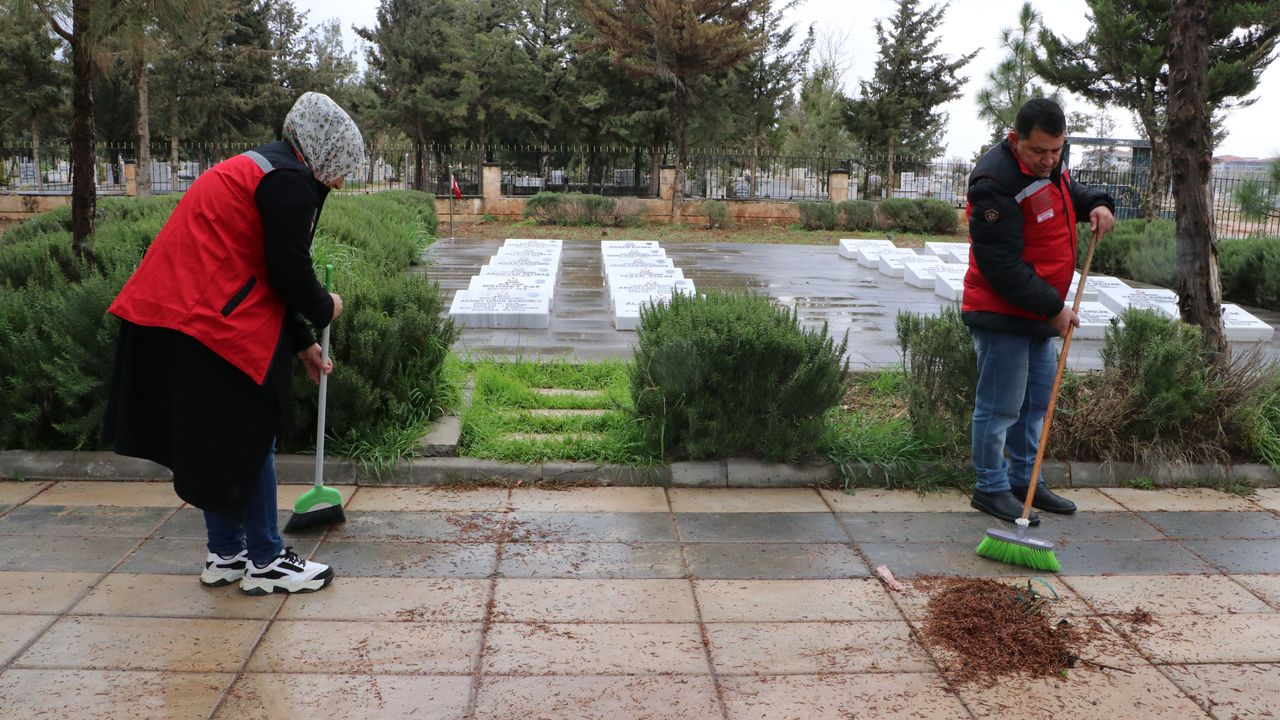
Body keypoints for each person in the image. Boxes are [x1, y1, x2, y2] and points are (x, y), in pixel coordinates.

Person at [103, 92, 364, 594]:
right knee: (251, 431)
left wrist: (301, 343)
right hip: (203, 319)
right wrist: (323, 307)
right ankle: (265, 559)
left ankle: (226, 554)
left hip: (177, 315)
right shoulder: (289, 181)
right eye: (341, 168)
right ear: (324, 151)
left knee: (222, 438)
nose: (340, 181)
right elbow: (288, 272)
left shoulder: (264, 167)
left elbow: (261, 270)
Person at [962, 98, 1115, 524]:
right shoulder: (994, 181)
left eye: (1056, 149)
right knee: (1000, 407)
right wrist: (1055, 308)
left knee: (1035, 405)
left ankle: (1024, 481)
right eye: (1039, 151)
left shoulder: (1053, 163)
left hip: (1040, 313)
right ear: (1016, 140)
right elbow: (1002, 267)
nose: (1049, 159)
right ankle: (990, 487)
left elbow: (1070, 192)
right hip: (1002, 312)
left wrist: (1098, 204)